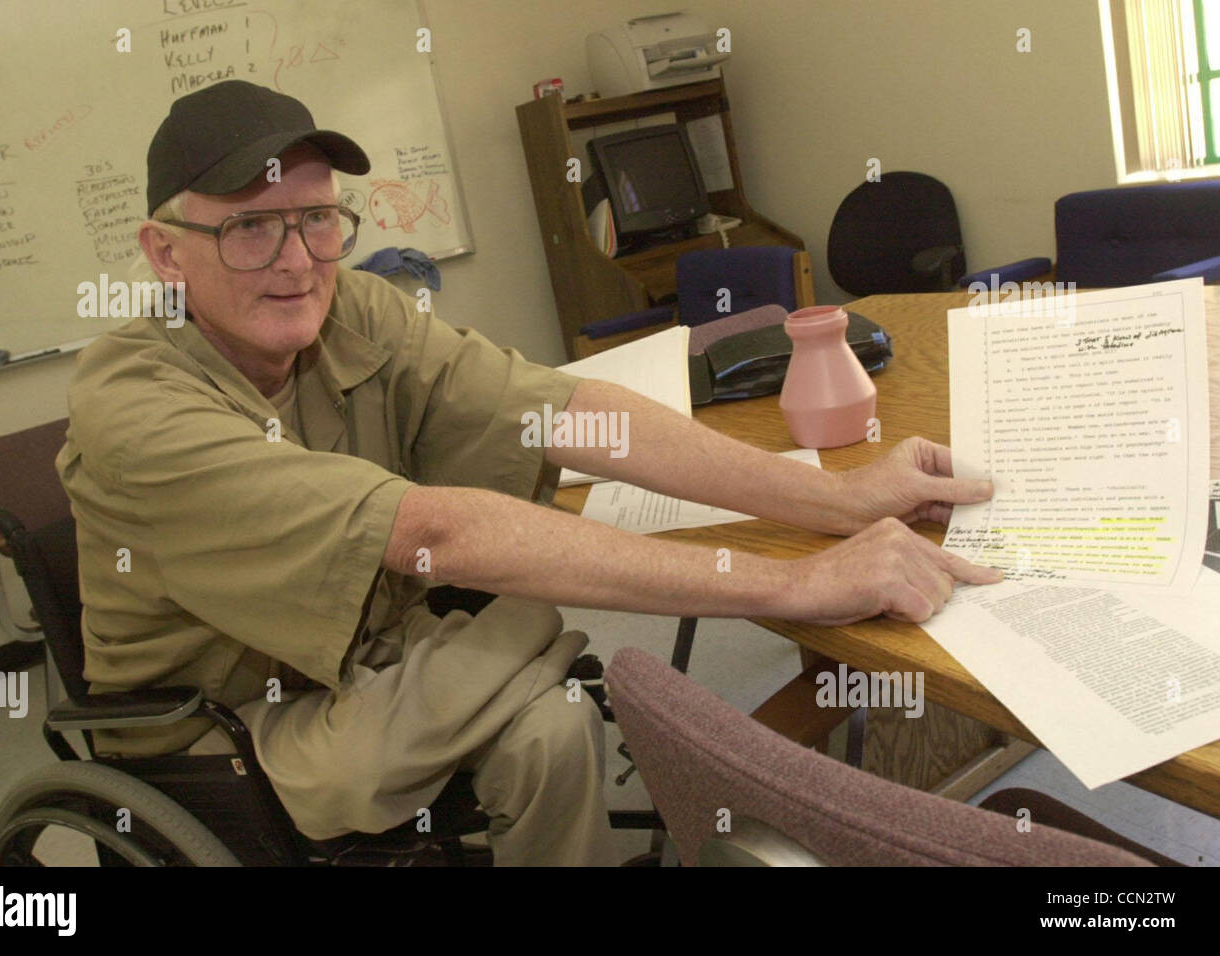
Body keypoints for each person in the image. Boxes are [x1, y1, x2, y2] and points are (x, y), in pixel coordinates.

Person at [56, 80, 1002, 867]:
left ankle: (521, 666)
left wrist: (833, 496)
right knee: (536, 636)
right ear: (164, 252)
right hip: (221, 729)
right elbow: (433, 534)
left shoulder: (353, 309)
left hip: (366, 664)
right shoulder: (134, 405)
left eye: (315, 219)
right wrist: (801, 584)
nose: (297, 261)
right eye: (251, 229)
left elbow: (563, 410)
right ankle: (521, 650)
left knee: (554, 724)